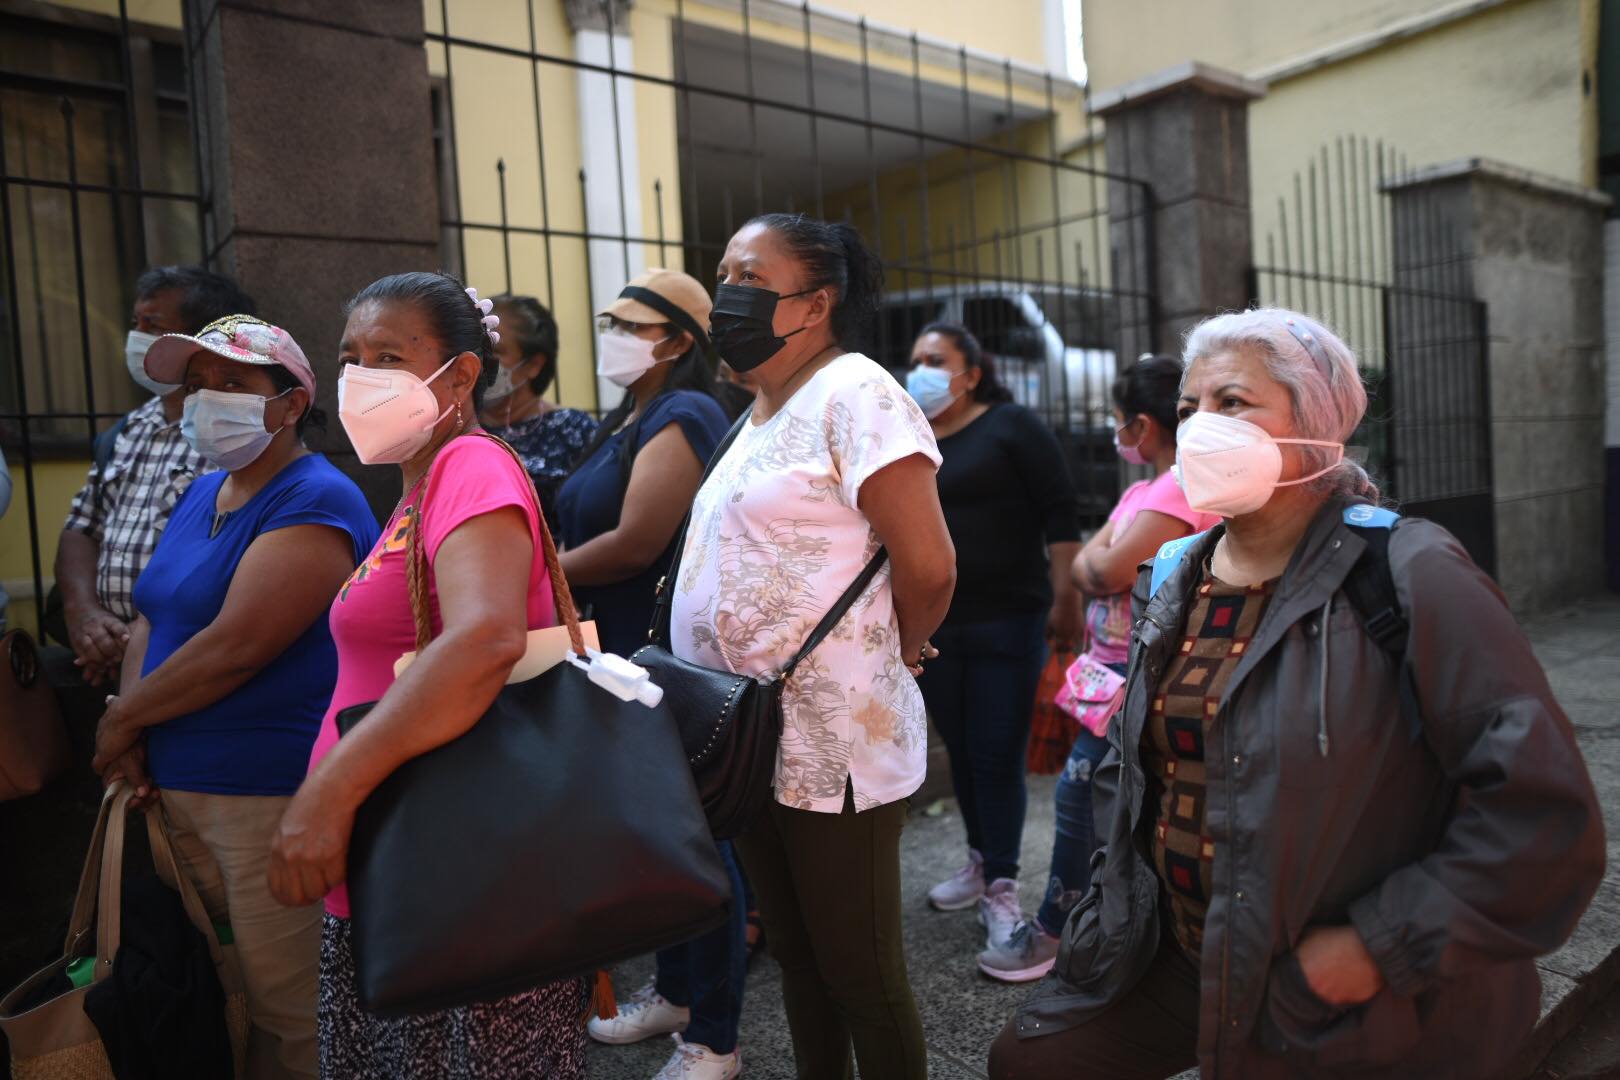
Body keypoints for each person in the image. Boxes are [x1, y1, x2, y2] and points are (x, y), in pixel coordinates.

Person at [988, 308, 1606, 1078]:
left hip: (1346, 990)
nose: (1199, 428)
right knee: (1028, 1062)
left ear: (1312, 421)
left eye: (1232, 403)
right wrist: (1107, 913)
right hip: (1183, 957)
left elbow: (1544, 820)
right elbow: (1142, 769)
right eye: (1188, 409)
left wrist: (1377, 946)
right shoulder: (1176, 575)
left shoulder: (1412, 570)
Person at [266, 272, 587, 1079]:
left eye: (390, 357)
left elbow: (484, 638)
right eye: (351, 357)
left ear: (463, 374)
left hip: (462, 874)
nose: (363, 376)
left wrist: (331, 789)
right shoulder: (413, 492)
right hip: (409, 860)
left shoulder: (470, 468)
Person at [672, 212, 955, 1080]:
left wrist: (894, 653)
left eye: (750, 279)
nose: (728, 296)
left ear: (815, 302)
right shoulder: (756, 411)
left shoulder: (857, 392)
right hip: (749, 733)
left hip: (835, 742)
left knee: (860, 972)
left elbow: (930, 566)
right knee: (796, 953)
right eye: (724, 274)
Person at [88, 314, 379, 1080]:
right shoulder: (207, 488)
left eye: (233, 383)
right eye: (196, 383)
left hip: (265, 795)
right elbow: (157, 613)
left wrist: (123, 719)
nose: (206, 397)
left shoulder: (315, 496)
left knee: (292, 1014)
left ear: (288, 405)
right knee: (223, 998)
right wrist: (137, 734)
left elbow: (238, 645)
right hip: (175, 786)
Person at [554, 269, 746, 1080]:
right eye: (607, 319)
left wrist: (541, 578)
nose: (611, 333)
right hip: (615, 653)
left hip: (656, 656)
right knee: (652, 835)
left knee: (695, 841)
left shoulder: (687, 411)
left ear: (675, 339)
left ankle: (716, 1036)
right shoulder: (629, 416)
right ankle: (672, 992)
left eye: (628, 323)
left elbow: (637, 540)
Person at [977, 354, 1218, 984]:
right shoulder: (1147, 490)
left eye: (1118, 424)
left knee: (1080, 797)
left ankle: (1057, 932)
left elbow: (1103, 570)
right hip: (1113, 676)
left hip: (1140, 676)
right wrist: (1096, 562)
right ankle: (1103, 926)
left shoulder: (1178, 490)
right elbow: (1092, 560)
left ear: (1141, 425)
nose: (1117, 436)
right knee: (1100, 801)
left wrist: (1097, 563)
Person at [905, 322, 1082, 958]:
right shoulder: (912, 438)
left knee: (995, 753)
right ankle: (981, 863)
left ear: (972, 372)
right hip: (939, 625)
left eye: (937, 360)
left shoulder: (1012, 427)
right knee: (962, 750)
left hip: (1011, 617)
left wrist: (1067, 596)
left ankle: (1002, 887)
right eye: (916, 360)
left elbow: (1061, 512)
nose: (921, 370)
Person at [55, 266, 256, 688]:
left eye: (154, 325)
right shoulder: (128, 430)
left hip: (191, 668)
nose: (137, 336)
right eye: (136, 323)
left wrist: (141, 646)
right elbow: (80, 529)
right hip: (102, 655)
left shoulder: (240, 436)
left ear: (199, 338)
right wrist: (86, 618)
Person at [479, 293, 597, 525]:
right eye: (476, 347)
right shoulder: (456, 426)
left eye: (494, 350)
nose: (481, 360)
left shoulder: (574, 430)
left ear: (533, 365)